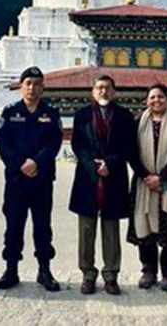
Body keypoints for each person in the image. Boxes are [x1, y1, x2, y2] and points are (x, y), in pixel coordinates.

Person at [0, 66, 63, 292]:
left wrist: (36, 163)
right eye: (28, 83)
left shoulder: (51, 113)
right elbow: (3, 143)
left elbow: (54, 143)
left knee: (42, 226)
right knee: (13, 225)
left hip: (41, 180)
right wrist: (21, 163)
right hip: (16, 180)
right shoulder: (10, 111)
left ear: (43, 87)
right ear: (21, 86)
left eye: (36, 83)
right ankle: (11, 269)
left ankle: (44, 270)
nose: (32, 88)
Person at [68, 74, 134, 295]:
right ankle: (87, 273)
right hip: (88, 177)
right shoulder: (82, 115)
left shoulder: (124, 116)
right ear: (93, 92)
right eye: (99, 88)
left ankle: (111, 274)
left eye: (107, 88)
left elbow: (128, 146)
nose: (103, 92)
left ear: (114, 92)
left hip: (114, 177)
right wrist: (94, 165)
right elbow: (78, 144)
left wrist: (111, 164)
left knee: (110, 229)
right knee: (86, 229)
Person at [127, 84, 167, 292]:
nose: (157, 100)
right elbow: (131, 153)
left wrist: (161, 177)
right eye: (153, 97)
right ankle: (148, 270)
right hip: (143, 183)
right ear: (147, 100)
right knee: (145, 228)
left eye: (161, 97)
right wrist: (147, 176)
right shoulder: (138, 122)